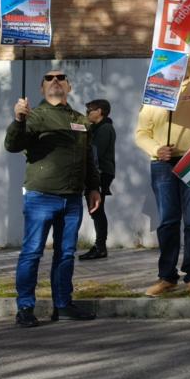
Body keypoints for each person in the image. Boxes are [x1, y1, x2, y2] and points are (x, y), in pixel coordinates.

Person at [7, 68, 102, 327]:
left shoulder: (80, 120)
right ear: (42, 88)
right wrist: (18, 120)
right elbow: (12, 145)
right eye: (49, 78)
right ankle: (25, 307)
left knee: (66, 254)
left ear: (69, 87)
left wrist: (94, 188)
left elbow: (88, 158)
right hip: (41, 197)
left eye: (61, 78)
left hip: (72, 200)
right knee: (32, 253)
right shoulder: (34, 116)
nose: (55, 81)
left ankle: (63, 305)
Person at [135, 61, 190, 297]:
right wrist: (156, 149)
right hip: (162, 164)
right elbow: (141, 133)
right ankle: (167, 277)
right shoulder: (155, 91)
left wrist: (187, 59)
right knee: (168, 221)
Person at [79, 99, 115, 260]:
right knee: (96, 211)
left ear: (99, 111)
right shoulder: (98, 128)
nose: (87, 114)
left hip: (100, 173)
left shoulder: (105, 128)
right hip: (98, 172)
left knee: (97, 210)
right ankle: (100, 246)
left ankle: (100, 247)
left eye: (89, 111)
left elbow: (95, 152)